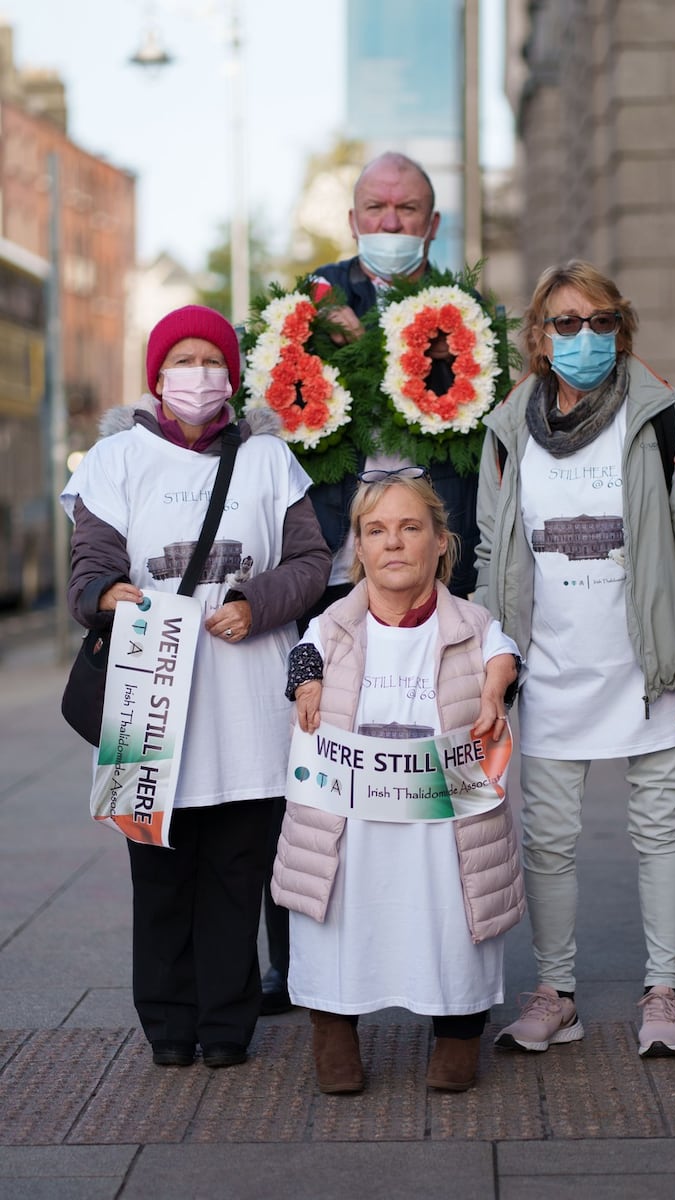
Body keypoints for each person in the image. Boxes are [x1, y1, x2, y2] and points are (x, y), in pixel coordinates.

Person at [473, 260, 675, 1059]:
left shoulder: (659, 416)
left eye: (598, 323)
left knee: (659, 830)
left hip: (650, 668)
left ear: (620, 329)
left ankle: (664, 991)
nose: (582, 338)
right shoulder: (508, 427)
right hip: (550, 671)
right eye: (564, 323)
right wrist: (494, 665)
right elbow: (494, 552)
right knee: (548, 840)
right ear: (538, 336)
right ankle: (556, 994)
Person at [61, 305, 331, 1070]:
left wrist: (257, 604)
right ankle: (169, 1026)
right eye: (181, 359)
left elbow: (311, 561)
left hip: (248, 708)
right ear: (156, 374)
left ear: (232, 375)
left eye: (212, 360)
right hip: (152, 702)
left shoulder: (269, 461)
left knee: (237, 874)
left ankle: (226, 1027)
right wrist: (108, 594)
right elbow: (91, 559)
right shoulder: (115, 461)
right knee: (161, 875)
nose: (198, 375)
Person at [260, 149, 486, 1017]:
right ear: (354, 218)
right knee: (318, 768)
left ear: (433, 222)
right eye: (376, 207)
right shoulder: (307, 308)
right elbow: (274, 430)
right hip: (329, 580)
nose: (391, 223)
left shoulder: (469, 314)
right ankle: (303, 965)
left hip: (436, 581)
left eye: (409, 208)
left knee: (451, 766)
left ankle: (460, 973)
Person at [271, 467, 526, 1093]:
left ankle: (457, 1035)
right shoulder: (332, 624)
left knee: (449, 916)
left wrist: (495, 687)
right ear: (358, 547)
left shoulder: (471, 620)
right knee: (338, 919)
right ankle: (334, 1038)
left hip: (445, 813)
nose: (393, 542)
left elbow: (503, 653)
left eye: (411, 528)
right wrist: (306, 682)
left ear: (441, 542)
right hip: (347, 815)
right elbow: (302, 654)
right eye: (376, 530)